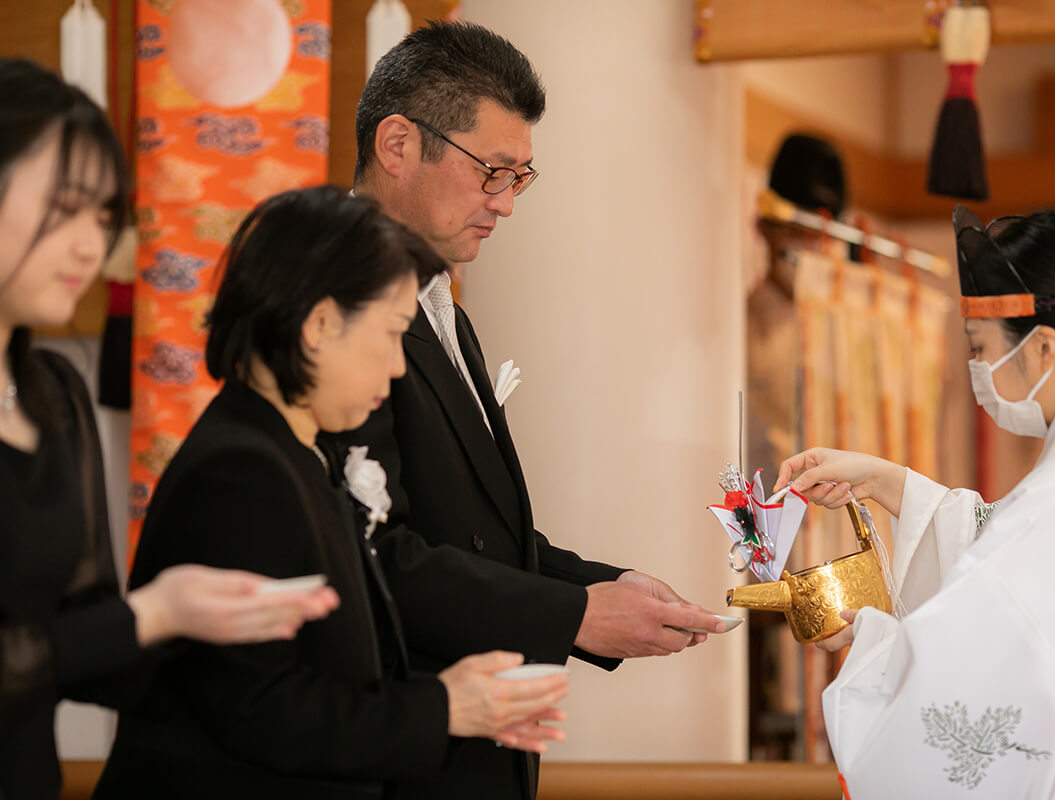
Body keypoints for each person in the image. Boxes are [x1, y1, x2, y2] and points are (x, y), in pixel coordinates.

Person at [337, 21, 723, 799]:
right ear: (398, 145)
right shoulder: (337, 304)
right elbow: (371, 554)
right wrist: (573, 614)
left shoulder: (441, 304)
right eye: (492, 172)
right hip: (397, 751)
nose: (506, 205)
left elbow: (472, 531)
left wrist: (606, 586)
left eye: (520, 177)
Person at [93, 186, 571, 799]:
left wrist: (462, 701)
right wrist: (444, 709)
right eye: (391, 333)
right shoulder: (242, 472)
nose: (398, 368)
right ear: (320, 325)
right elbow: (261, 711)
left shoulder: (297, 454)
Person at [774, 206, 1055, 798]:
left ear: (1045, 349)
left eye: (979, 348)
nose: (975, 369)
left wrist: (874, 648)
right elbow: (1021, 561)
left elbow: (981, 655)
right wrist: (888, 481)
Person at [0, 59, 340, 800]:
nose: (93, 246)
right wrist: (157, 610)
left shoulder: (53, 394)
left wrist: (209, 619)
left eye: (103, 215)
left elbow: (85, 642)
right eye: (66, 206)